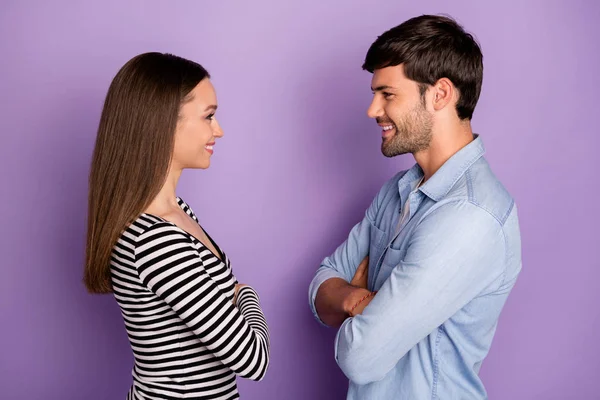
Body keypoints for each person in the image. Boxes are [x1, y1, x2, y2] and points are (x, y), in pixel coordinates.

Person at [308, 15, 521, 399]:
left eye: (388, 94)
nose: (373, 110)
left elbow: (359, 357)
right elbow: (321, 288)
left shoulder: (470, 215)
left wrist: (355, 310)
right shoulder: (396, 190)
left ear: (440, 94)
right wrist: (353, 298)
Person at [84, 52, 270, 399]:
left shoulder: (178, 211)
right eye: (209, 116)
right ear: (163, 124)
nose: (219, 130)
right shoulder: (155, 240)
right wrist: (246, 292)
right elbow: (253, 359)